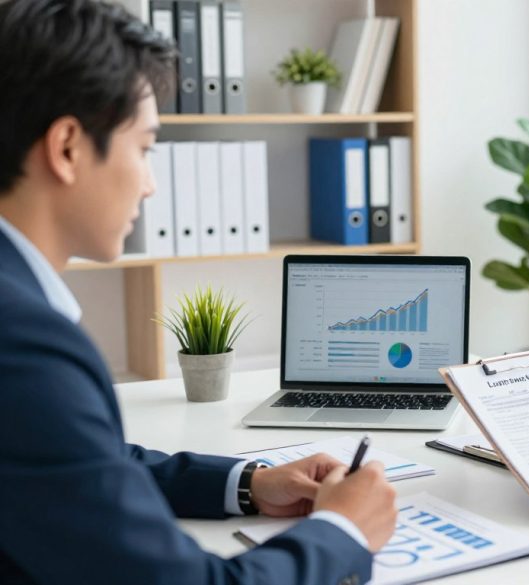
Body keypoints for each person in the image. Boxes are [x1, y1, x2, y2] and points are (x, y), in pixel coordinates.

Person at [0, 1, 396, 583]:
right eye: (145, 148)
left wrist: (249, 482)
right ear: (67, 148)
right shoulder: (24, 345)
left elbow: (73, 467)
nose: (151, 184)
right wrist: (344, 532)